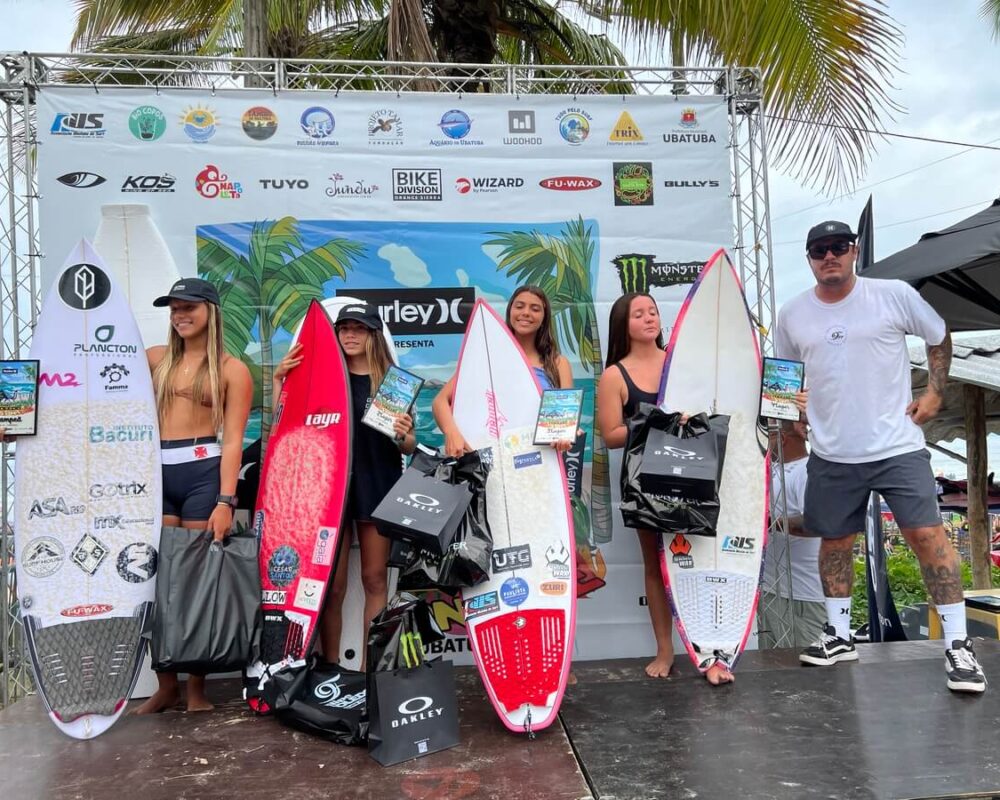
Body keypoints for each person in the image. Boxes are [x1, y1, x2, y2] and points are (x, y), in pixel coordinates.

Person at [774, 219, 986, 693]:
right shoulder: (793, 313)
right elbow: (784, 376)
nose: (829, 256)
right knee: (833, 542)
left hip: (897, 446)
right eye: (818, 250)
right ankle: (840, 635)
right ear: (808, 259)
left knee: (928, 536)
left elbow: (938, 334)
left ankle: (957, 645)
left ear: (855, 250)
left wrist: (934, 393)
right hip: (832, 452)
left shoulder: (891, 294)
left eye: (838, 247)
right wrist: (792, 410)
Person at [596, 292, 733, 685]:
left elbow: (715, 404)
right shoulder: (614, 375)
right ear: (623, 324)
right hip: (647, 481)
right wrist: (657, 423)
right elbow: (610, 435)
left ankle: (710, 653)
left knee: (702, 561)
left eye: (653, 311)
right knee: (657, 563)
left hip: (694, 472)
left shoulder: (681, 358)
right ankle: (664, 648)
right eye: (638, 314)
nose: (648, 318)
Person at [275, 302, 416, 665]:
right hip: (329, 494)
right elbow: (287, 426)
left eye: (358, 328)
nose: (349, 335)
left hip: (379, 485)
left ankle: (371, 671)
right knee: (331, 587)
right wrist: (279, 381)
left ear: (373, 334)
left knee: (374, 581)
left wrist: (406, 436)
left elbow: (407, 445)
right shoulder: (322, 375)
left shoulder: (392, 380)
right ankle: (330, 666)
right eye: (344, 328)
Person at [137, 278, 253, 713]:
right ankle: (165, 685)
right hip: (156, 474)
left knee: (196, 580)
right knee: (157, 580)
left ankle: (197, 690)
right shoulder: (153, 359)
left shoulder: (231, 369)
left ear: (210, 311)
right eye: (173, 309)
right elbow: (94, 391)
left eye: (188, 307)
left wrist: (226, 502)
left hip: (204, 473)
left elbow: (235, 442)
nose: (179, 315)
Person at [433, 285, 575, 457]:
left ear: (544, 317)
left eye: (535, 309)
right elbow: (440, 401)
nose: (526, 313)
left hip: (541, 465)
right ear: (510, 312)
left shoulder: (558, 364)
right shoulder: (487, 357)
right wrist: (453, 434)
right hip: (497, 463)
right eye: (519, 306)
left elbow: (563, 424)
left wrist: (564, 436)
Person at [758, 420, 825, 649]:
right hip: (771, 591)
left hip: (804, 596)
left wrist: (766, 523)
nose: (765, 443)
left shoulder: (807, 472)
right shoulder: (771, 470)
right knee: (771, 669)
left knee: (807, 674)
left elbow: (816, 523)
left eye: (769, 436)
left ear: (782, 438)